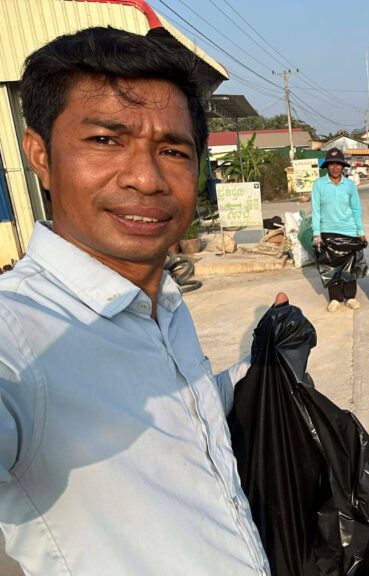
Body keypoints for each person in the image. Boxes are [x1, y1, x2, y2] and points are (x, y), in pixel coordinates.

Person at [0, 27, 273, 575]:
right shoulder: (20, 333)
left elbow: (166, 415)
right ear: (40, 155)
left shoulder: (161, 302)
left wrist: (257, 375)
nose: (147, 179)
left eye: (172, 150)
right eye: (106, 140)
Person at [311, 148, 366, 312]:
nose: (335, 168)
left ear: (343, 167)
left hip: (348, 231)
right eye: (331, 164)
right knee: (331, 266)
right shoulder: (319, 185)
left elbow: (356, 209)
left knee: (349, 265)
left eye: (338, 164)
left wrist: (360, 231)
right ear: (327, 166)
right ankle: (335, 297)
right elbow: (316, 210)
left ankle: (350, 297)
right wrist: (316, 233)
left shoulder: (349, 185)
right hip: (327, 231)